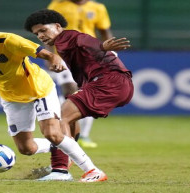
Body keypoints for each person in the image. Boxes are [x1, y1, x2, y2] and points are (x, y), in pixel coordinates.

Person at [0, 14, 107, 182]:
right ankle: (65, 145)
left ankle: (92, 171)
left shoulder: (8, 41)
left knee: (52, 133)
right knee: (26, 148)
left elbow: (47, 54)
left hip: (38, 88)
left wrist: (54, 59)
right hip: (12, 97)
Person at [24, 9, 133, 181]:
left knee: (61, 118)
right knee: (70, 118)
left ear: (58, 26)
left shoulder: (67, 37)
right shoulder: (62, 44)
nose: (41, 35)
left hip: (108, 82)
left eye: (43, 30)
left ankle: (62, 171)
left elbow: (86, 42)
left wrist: (102, 47)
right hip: (111, 83)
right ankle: (64, 163)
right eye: (37, 33)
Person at [48, 0, 114, 148]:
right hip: (65, 55)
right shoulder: (58, 5)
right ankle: (66, 129)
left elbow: (104, 32)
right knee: (70, 91)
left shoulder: (98, 8)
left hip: (90, 56)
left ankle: (83, 135)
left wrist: (109, 52)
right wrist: (50, 55)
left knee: (86, 93)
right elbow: (47, 30)